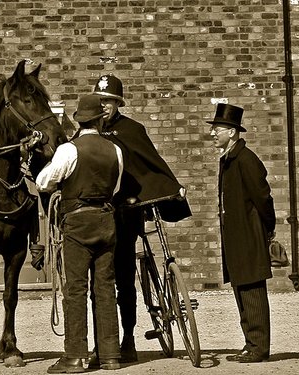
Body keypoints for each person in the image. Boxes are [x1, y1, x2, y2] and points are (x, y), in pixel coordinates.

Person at [90, 74, 192, 363]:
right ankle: (101, 341)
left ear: (118, 103)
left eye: (110, 101)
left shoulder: (132, 130)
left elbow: (151, 161)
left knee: (124, 280)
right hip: (99, 218)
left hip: (126, 216)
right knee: (98, 282)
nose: (105, 106)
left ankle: (128, 337)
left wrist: (172, 186)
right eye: (101, 101)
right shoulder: (88, 131)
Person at [37, 95, 124, 373]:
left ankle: (75, 355)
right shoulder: (115, 150)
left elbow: (43, 181)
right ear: (100, 120)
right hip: (106, 221)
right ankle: (110, 354)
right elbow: (117, 187)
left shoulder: (69, 150)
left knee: (75, 289)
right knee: (105, 288)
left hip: (77, 222)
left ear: (80, 120)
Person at [207, 103, 276, 363]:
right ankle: (250, 344)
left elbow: (263, 198)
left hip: (249, 235)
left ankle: (259, 347)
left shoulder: (246, 159)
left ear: (232, 132)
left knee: (252, 291)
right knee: (242, 290)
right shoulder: (230, 158)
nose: (213, 133)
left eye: (217, 129)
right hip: (237, 236)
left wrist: (266, 229)